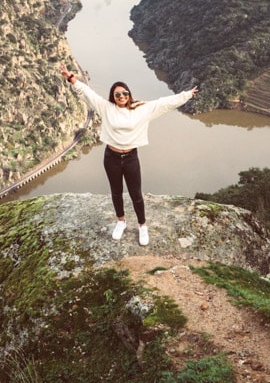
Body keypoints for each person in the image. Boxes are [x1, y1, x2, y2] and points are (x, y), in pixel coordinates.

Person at [59, 63, 198, 246]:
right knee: (116, 192)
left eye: (124, 93)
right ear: (113, 97)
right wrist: (71, 78)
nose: (122, 96)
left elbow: (163, 103)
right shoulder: (106, 107)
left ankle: (142, 225)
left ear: (129, 94)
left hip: (131, 157)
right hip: (111, 157)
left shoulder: (141, 108)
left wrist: (186, 95)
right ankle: (121, 221)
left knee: (136, 194)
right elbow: (87, 93)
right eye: (117, 94)